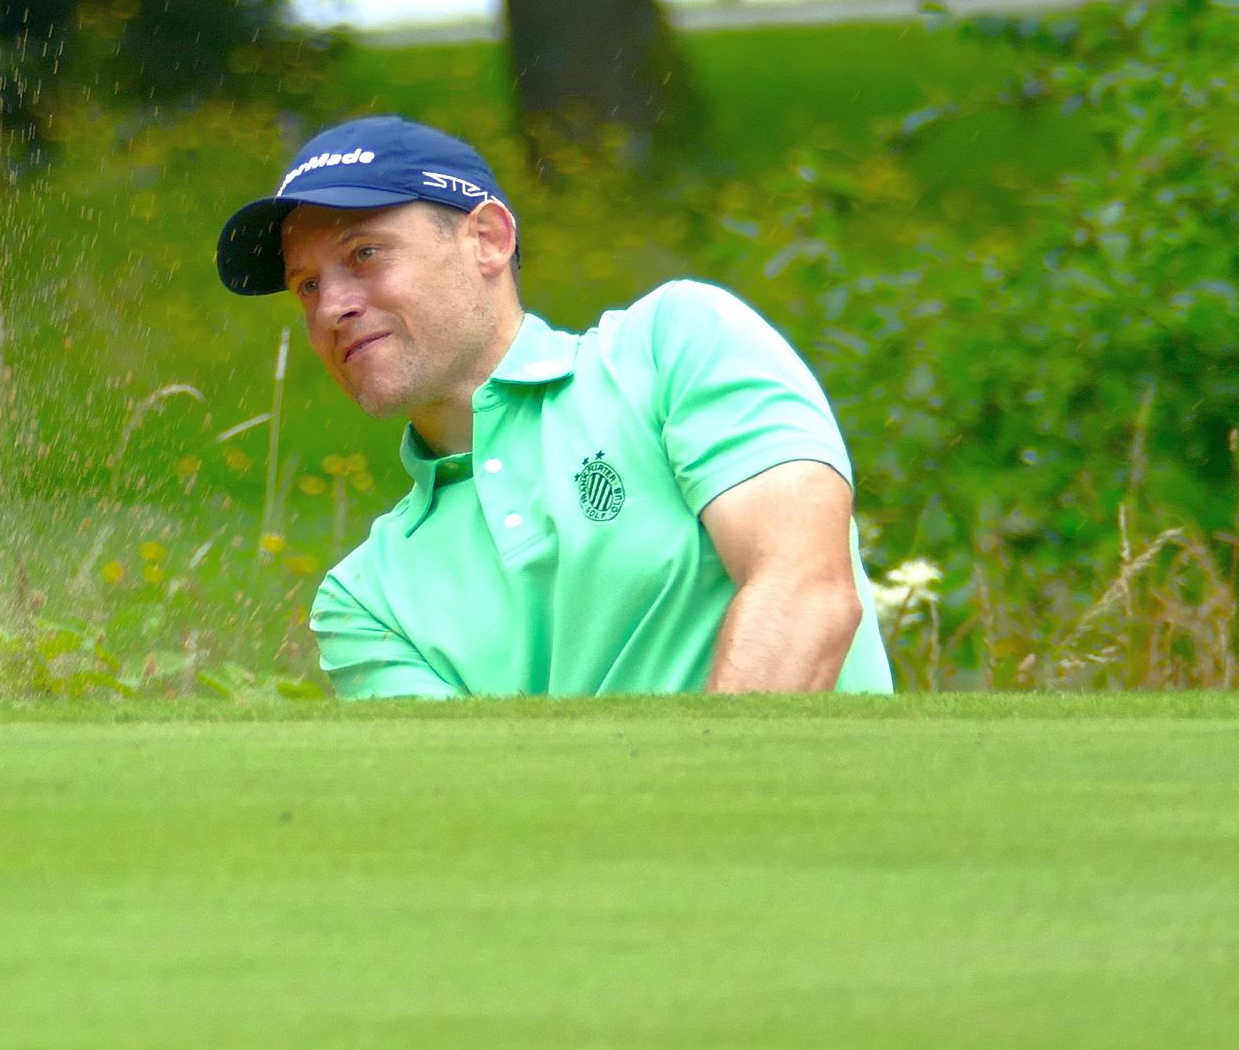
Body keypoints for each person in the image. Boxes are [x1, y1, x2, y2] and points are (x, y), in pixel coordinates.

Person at [215, 115, 891, 697]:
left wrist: (700, 826)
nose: (332, 306)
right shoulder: (367, 599)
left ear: (487, 239)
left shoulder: (672, 348)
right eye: (307, 286)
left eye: (364, 254)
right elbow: (475, 815)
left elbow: (808, 594)